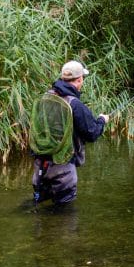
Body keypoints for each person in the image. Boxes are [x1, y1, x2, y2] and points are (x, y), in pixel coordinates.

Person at [31, 60, 108, 206]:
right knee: (64, 217)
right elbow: (92, 133)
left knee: (38, 207)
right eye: (82, 79)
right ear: (79, 80)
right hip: (63, 170)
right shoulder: (75, 104)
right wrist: (102, 120)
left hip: (41, 166)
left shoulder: (46, 97)